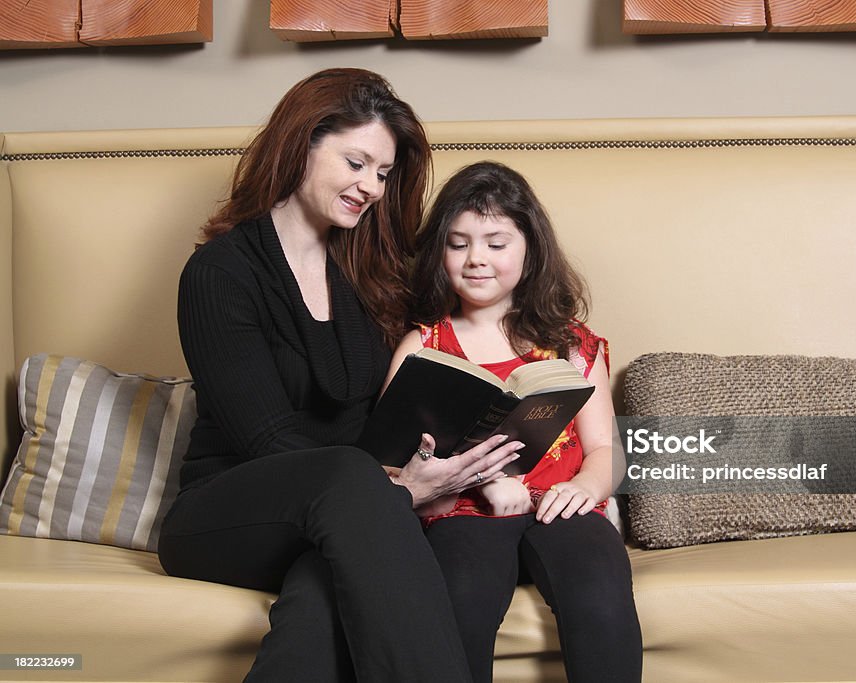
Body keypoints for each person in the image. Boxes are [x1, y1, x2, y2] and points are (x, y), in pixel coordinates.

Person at [157, 69, 524, 683]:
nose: (372, 188)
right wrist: (403, 490)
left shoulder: (372, 271)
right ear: (299, 144)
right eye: (356, 163)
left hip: (350, 518)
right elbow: (268, 442)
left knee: (322, 597)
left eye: (382, 174)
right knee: (346, 474)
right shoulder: (219, 274)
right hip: (228, 514)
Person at [386, 161, 643, 683]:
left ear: (529, 249)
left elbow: (605, 449)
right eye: (458, 244)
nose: (475, 258)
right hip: (462, 514)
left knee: (601, 596)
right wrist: (474, 486)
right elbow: (391, 462)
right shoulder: (423, 346)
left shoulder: (571, 345)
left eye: (496, 243)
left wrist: (584, 487)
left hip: (559, 507)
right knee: (461, 604)